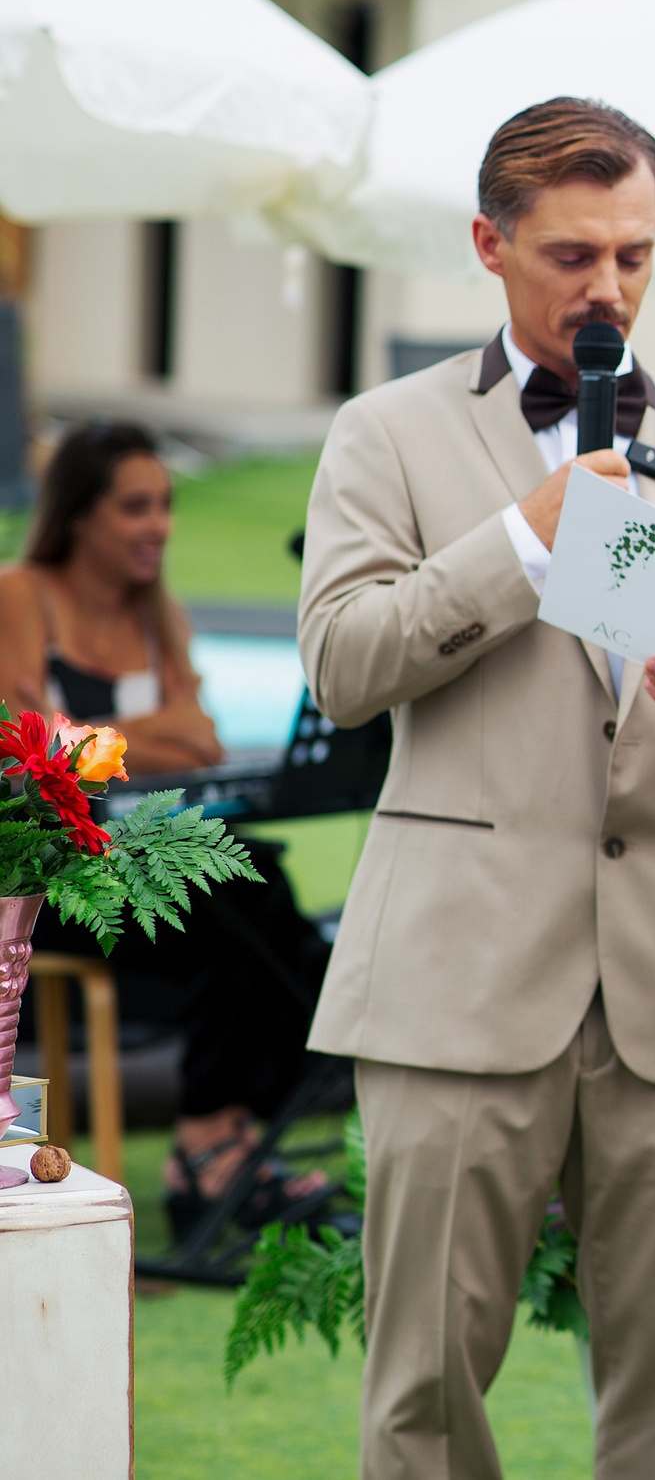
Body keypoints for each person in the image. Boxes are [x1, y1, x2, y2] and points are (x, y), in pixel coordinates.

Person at [298, 98, 655, 1480]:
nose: (609, 289)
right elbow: (344, 662)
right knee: (423, 1390)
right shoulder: (385, 432)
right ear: (489, 241)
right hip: (455, 977)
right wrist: (522, 541)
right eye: (575, 255)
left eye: (635, 256)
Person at [0, 421, 332, 1234]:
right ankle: (212, 1147)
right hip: (52, 896)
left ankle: (223, 1138)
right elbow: (26, 744)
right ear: (80, 514)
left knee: (261, 893)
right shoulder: (20, 595)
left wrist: (98, 740)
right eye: (135, 507)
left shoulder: (160, 616)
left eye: (167, 505)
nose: (160, 525)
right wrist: (132, 736)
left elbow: (203, 738)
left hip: (136, 875)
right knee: (243, 909)